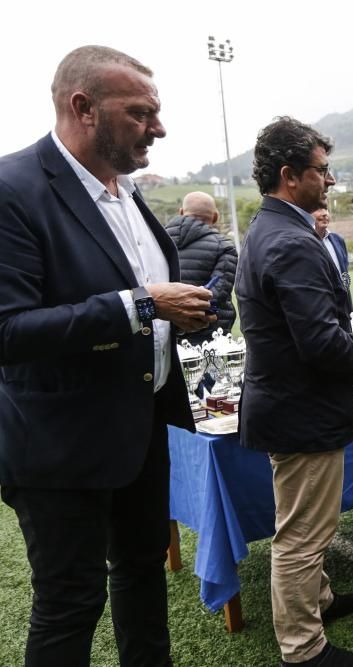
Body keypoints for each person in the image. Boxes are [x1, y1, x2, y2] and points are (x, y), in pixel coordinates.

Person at [0, 46, 215, 666]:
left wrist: (187, 317)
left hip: (143, 428)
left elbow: (150, 305)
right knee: (70, 602)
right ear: (83, 108)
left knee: (144, 574)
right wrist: (140, 305)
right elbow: (7, 330)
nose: (160, 127)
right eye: (141, 112)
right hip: (59, 444)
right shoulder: (14, 190)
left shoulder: (127, 192)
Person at [235, 117, 353, 667]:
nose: (331, 181)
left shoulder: (269, 228)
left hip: (287, 401)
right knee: (301, 535)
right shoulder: (291, 240)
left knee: (303, 526)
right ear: (289, 175)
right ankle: (304, 649)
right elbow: (321, 344)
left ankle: (317, 602)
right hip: (301, 408)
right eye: (322, 171)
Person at [165, 191, 238, 345]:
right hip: (210, 337)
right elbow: (218, 293)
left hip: (165, 334)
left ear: (182, 212)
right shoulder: (224, 247)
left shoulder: (155, 241)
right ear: (216, 216)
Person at [312, 206, 353, 314]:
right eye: (319, 209)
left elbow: (344, 277)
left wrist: (350, 310)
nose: (325, 213)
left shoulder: (338, 240)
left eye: (326, 209)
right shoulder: (303, 242)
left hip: (344, 310)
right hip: (320, 310)